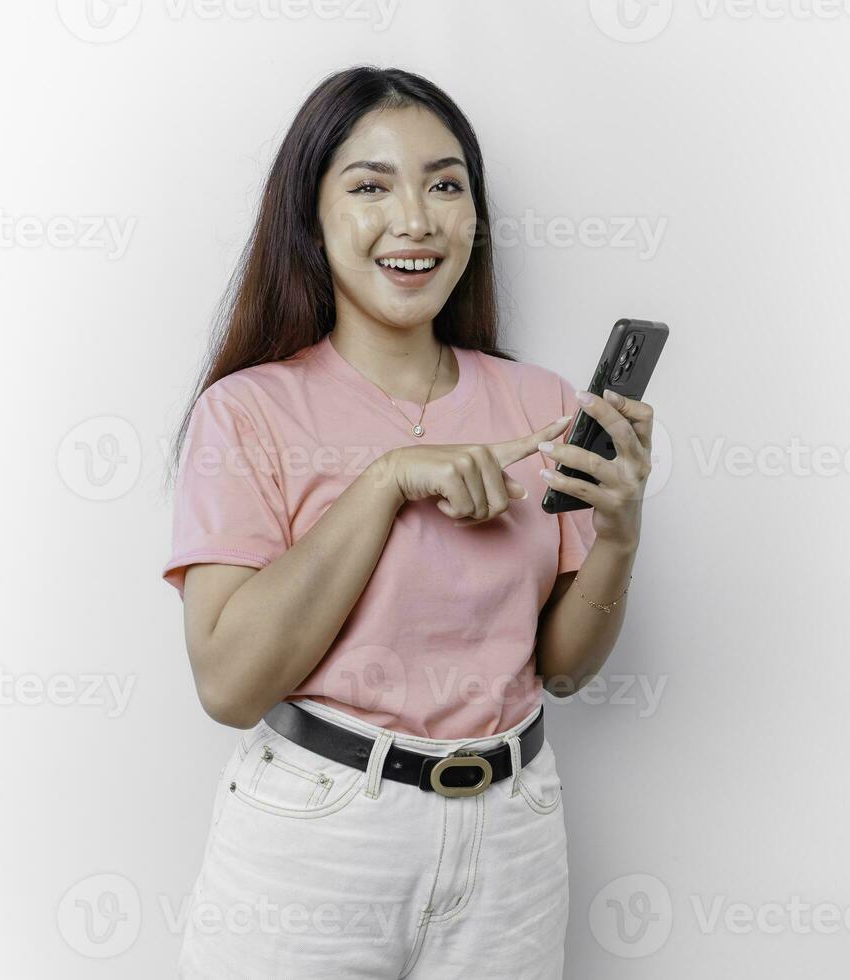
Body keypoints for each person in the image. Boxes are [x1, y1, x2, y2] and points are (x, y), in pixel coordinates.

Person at [161, 65, 653, 979]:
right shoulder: (249, 412)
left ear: (475, 218)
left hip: (513, 838)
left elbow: (563, 667)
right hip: (316, 842)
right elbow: (229, 685)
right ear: (310, 216)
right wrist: (386, 482)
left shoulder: (539, 402)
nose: (416, 218)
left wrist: (621, 534)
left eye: (444, 184)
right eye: (371, 185)